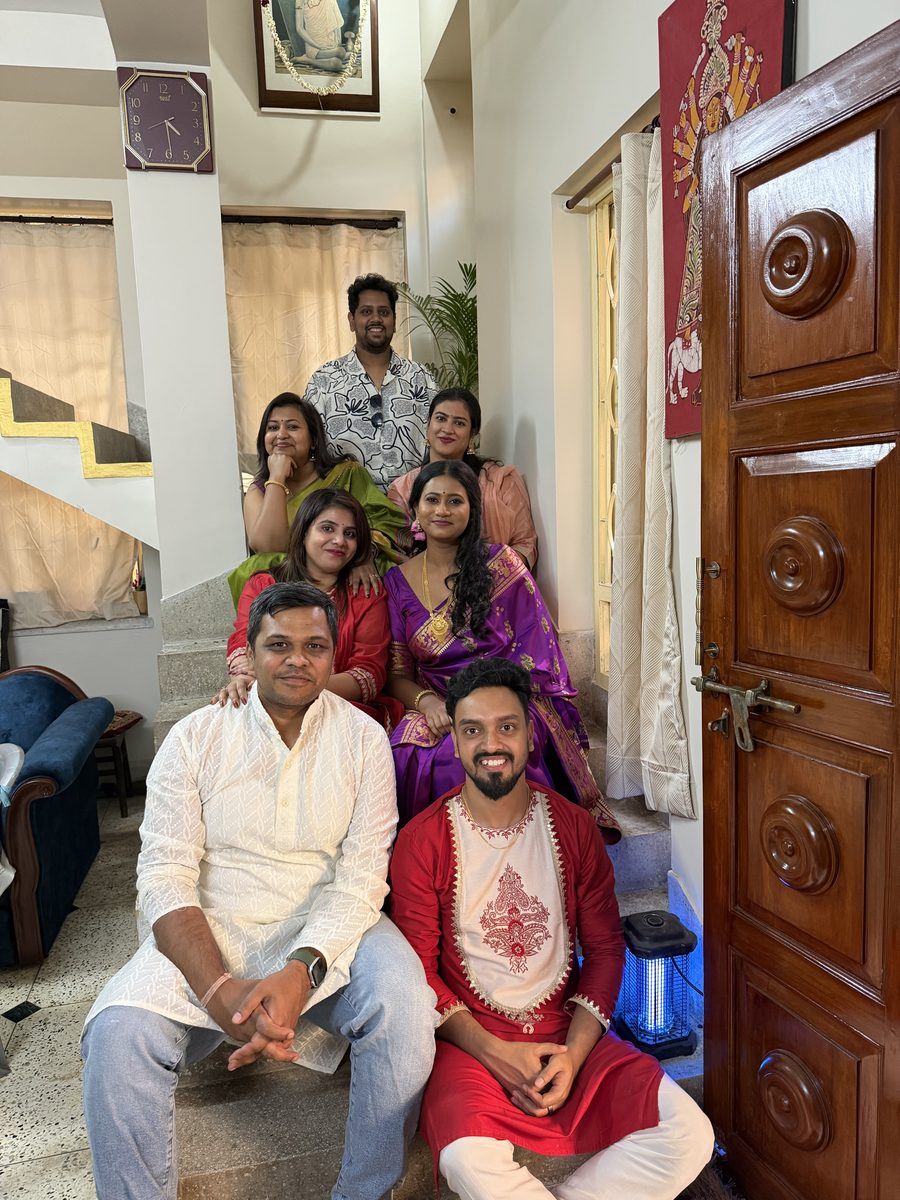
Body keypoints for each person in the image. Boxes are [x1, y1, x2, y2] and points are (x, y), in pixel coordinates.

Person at [81, 582, 436, 1200]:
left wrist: (302, 970)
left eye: (314, 646)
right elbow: (163, 878)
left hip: (327, 926)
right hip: (213, 924)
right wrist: (220, 993)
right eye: (279, 645)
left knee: (405, 1005)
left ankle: (363, 1191)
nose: (297, 660)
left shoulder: (364, 740)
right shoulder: (194, 738)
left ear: (333, 656)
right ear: (249, 652)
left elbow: (360, 877)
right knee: (117, 1037)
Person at [390, 659, 714, 1200]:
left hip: (566, 1032)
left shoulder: (573, 827)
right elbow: (418, 974)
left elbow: (608, 951)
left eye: (506, 727)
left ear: (530, 734)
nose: (490, 743)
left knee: (690, 1133)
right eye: (473, 729)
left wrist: (575, 1055)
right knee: (469, 1159)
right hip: (470, 1042)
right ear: (455, 742)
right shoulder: (422, 843)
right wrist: (495, 1052)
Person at [384, 460, 617, 837]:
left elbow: (538, 654)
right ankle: (435, 861)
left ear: (472, 511)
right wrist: (427, 703)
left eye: (455, 501)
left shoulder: (502, 564)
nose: (442, 510)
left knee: (464, 756)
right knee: (406, 750)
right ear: (415, 510)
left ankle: (513, 850)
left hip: (509, 698)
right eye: (432, 500)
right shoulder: (395, 582)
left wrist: (484, 706)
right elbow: (397, 672)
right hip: (438, 701)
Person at [221, 489, 404, 729]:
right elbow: (244, 644)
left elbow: (368, 673)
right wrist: (245, 681)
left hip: (340, 709)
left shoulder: (366, 594)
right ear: (304, 531)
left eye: (350, 534)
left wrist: (294, 690)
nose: (339, 540)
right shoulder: (263, 586)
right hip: (267, 701)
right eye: (327, 528)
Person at [241, 391, 408, 592]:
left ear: (313, 439)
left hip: (348, 571)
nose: (281, 434)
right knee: (257, 567)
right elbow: (269, 549)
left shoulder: (346, 474)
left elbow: (384, 521)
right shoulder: (259, 490)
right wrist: (276, 479)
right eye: (272, 428)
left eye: (292, 427)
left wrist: (363, 557)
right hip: (289, 588)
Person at [303, 273, 437, 490]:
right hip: (345, 511)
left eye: (384, 312)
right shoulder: (324, 381)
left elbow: (439, 445)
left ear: (394, 321)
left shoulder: (422, 379)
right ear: (351, 320)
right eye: (366, 312)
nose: (376, 319)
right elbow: (308, 448)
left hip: (411, 510)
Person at [388, 388, 539, 570]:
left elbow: (525, 544)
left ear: (472, 435)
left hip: (491, 589)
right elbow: (395, 551)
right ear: (428, 425)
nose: (447, 429)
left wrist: (484, 579)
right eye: (441, 418)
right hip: (425, 590)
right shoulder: (403, 489)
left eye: (459, 423)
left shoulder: (500, 482)